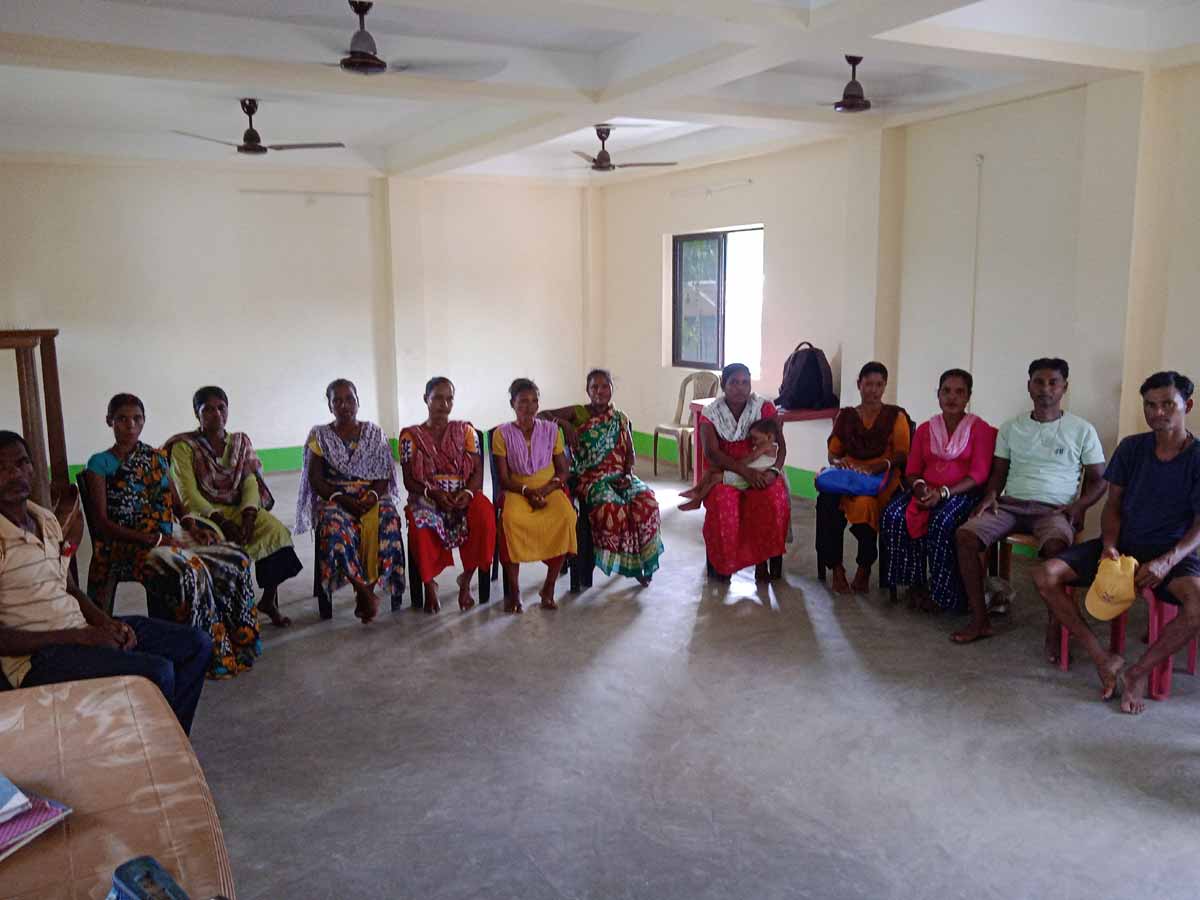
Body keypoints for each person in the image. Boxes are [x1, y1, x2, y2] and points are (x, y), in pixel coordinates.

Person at [0, 431, 211, 734]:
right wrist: (81, 637)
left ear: (34, 468)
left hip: (80, 630)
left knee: (196, 645)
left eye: (21, 463)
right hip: (37, 658)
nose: (14, 474)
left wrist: (106, 623)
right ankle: (156, 749)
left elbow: (70, 588)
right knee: (157, 672)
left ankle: (167, 743)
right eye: (2, 468)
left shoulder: (44, 519)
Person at [1033, 371, 1200, 715]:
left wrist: (1167, 561)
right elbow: (1112, 505)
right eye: (1150, 405)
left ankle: (1139, 672)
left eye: (1168, 404)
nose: (1158, 412)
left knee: (1197, 606)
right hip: (1123, 546)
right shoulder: (1132, 448)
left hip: (1175, 552)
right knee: (1046, 575)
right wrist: (1109, 544)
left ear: (1188, 405)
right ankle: (1102, 657)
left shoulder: (1197, 457)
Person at [82, 394, 260, 678]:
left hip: (168, 534)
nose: (130, 426)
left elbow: (177, 505)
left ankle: (241, 643)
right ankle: (206, 653)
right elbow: (102, 523)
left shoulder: (155, 457)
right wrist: (155, 540)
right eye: (122, 419)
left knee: (235, 558)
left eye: (137, 419)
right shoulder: (99, 464)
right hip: (127, 544)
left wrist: (192, 525)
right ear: (109, 422)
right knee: (191, 571)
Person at [955, 358, 1107, 647]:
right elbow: (998, 472)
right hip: (1010, 505)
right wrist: (989, 496)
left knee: (1056, 548)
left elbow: (1100, 479)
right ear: (1029, 386)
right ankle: (979, 619)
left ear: (1064, 388)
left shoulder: (1082, 429)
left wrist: (1080, 506)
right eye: (1038, 382)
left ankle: (1056, 623)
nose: (1045, 389)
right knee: (965, 536)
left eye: (1053, 382)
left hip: (1053, 510)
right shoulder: (1011, 428)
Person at [167, 386, 302, 628]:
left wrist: (249, 515)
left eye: (221, 408)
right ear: (196, 414)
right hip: (204, 514)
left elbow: (249, 480)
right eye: (207, 409)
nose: (216, 414)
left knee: (276, 533)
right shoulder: (184, 446)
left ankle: (268, 600)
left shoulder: (240, 441)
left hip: (241, 508)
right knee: (219, 546)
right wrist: (222, 521)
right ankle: (230, 616)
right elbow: (188, 494)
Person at [880, 369, 996, 616]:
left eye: (959, 392)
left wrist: (943, 493)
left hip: (963, 494)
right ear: (938, 395)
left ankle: (945, 594)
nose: (952, 397)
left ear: (968, 397)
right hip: (926, 489)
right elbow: (911, 471)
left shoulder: (980, 429)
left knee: (942, 522)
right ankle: (915, 583)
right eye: (946, 391)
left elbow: (978, 475)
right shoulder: (925, 428)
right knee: (893, 515)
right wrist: (921, 489)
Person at [296, 379, 406, 624]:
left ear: (358, 402)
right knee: (333, 528)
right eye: (337, 400)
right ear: (329, 405)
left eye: (349, 399)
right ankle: (364, 592)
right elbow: (315, 478)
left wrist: (373, 496)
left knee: (389, 520)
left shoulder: (373, 433)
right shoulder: (320, 435)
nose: (344, 405)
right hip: (336, 496)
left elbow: (384, 472)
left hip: (371, 495)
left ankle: (372, 587)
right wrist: (341, 499)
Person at [539, 369, 663, 585]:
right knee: (613, 508)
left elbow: (630, 454)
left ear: (612, 389)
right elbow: (541, 416)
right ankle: (622, 565)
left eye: (604, 386)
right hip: (590, 478)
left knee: (647, 502)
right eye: (594, 387)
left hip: (620, 475)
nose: (600, 391)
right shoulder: (579, 413)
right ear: (587, 390)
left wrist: (627, 474)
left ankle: (642, 561)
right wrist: (564, 423)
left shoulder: (620, 418)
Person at [815, 362, 911, 594]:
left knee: (867, 504)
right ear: (859, 384)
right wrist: (840, 463)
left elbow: (902, 453)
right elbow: (833, 454)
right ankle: (836, 567)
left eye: (879, 384)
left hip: (882, 478)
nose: (873, 390)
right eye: (868, 384)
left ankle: (864, 567)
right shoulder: (846, 416)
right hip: (849, 477)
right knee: (827, 503)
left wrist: (880, 465)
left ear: (885, 386)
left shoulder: (895, 416)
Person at [399, 377, 493, 612]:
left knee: (484, 514)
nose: (444, 404)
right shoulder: (410, 436)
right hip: (428, 497)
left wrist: (469, 493)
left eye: (449, 398)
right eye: (438, 398)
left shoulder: (466, 431)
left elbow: (478, 471)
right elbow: (409, 480)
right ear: (426, 400)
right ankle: (430, 586)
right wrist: (433, 493)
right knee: (419, 522)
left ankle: (466, 581)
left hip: (462, 495)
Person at [696, 362, 790, 580]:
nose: (740, 388)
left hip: (762, 470)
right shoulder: (711, 413)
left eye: (745, 382)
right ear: (723, 384)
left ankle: (763, 561)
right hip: (725, 472)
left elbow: (781, 446)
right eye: (734, 382)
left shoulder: (763, 408)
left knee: (772, 497)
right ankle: (724, 564)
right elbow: (712, 453)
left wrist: (774, 472)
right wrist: (743, 472)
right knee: (722, 501)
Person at [493, 378, 577, 612]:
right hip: (517, 490)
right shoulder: (502, 434)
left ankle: (548, 587)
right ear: (512, 404)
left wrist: (546, 490)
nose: (529, 407)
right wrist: (527, 492)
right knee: (510, 521)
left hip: (549, 488)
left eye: (533, 402)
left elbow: (563, 470)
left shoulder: (551, 430)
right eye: (522, 402)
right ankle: (515, 591)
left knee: (566, 517)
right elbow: (503, 478)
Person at [680, 418, 780, 508]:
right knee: (711, 470)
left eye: (756, 438)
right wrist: (735, 467)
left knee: (715, 477)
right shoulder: (763, 444)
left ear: (769, 437)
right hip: (746, 471)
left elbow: (751, 458)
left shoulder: (767, 445)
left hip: (751, 477)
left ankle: (697, 501)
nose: (753, 442)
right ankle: (696, 490)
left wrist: (735, 466)